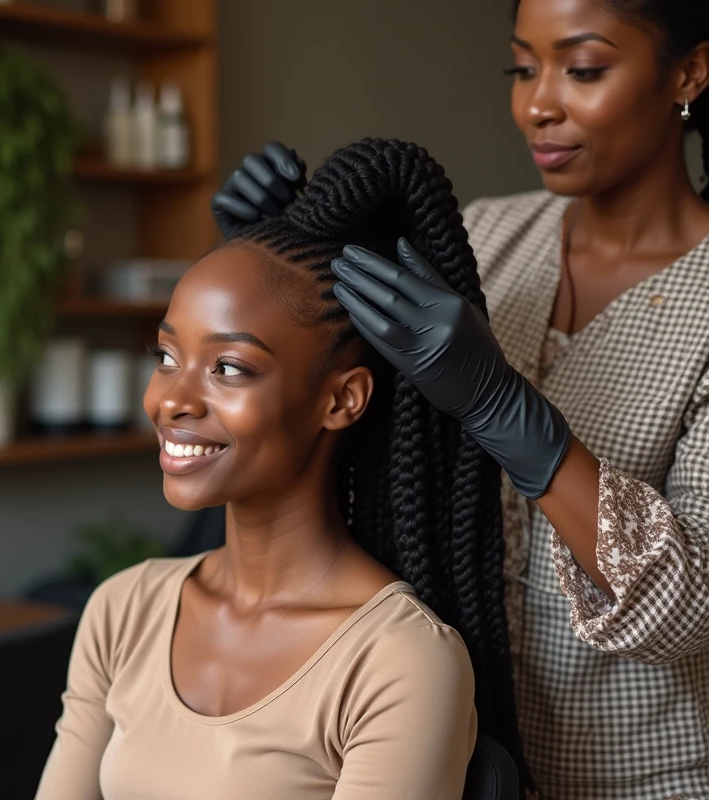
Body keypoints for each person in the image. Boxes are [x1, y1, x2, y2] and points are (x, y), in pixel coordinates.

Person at [210, 2, 709, 798]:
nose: (537, 103)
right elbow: (334, 401)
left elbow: (692, 607)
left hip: (641, 778)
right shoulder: (480, 240)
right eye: (521, 68)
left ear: (688, 72)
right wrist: (266, 255)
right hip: (441, 763)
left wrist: (507, 414)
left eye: (582, 69)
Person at [35, 138, 522, 800]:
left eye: (229, 367)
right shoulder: (124, 610)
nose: (170, 400)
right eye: (166, 354)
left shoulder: (399, 661)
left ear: (341, 400)